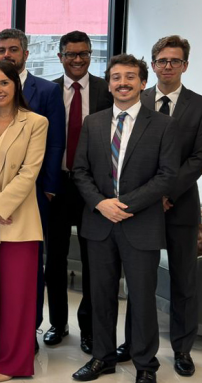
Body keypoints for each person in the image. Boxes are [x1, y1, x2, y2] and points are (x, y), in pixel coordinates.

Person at [71, 54, 178, 383]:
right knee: (100, 295)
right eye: (116, 77)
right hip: (99, 224)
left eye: (130, 77)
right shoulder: (94, 122)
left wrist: (124, 204)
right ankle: (102, 358)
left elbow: (167, 176)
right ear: (110, 84)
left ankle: (146, 365)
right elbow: (80, 171)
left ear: (143, 83)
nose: (122, 83)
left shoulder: (162, 125)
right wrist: (102, 204)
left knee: (142, 299)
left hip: (141, 225)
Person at [118, 36, 202, 376]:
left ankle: (182, 349)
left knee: (184, 281)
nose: (168, 66)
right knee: (138, 279)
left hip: (180, 207)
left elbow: (200, 158)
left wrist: (167, 192)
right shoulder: (135, 98)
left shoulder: (201, 106)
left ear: (185, 65)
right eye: (162, 60)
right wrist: (149, 195)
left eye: (175, 60)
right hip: (140, 209)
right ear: (153, 65)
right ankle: (132, 343)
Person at [0, 60, 47, 383]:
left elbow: (30, 172)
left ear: (16, 85)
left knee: (18, 296)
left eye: (4, 83)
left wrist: (0, 205)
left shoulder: (36, 122)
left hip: (20, 221)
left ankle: (13, 362)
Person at [0, 28, 66, 348]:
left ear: (26, 53)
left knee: (29, 266)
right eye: (1, 50)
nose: (7, 55)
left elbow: (54, 143)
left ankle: (28, 330)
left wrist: (48, 188)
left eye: (13, 49)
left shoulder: (47, 91)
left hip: (33, 193)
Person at [45, 31, 112, 353]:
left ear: (90, 56)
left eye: (83, 53)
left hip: (94, 190)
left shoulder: (106, 90)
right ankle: (58, 323)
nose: (77, 59)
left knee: (92, 262)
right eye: (71, 54)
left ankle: (89, 329)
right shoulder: (48, 91)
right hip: (56, 187)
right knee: (54, 261)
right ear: (60, 57)